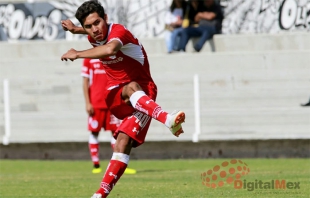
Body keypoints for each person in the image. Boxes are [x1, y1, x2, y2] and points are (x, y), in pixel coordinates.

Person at [60, 1, 186, 197]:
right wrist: (75, 30)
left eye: (97, 23)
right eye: (89, 27)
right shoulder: (94, 33)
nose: (95, 30)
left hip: (144, 94)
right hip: (115, 96)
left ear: (106, 19)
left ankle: (100, 194)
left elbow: (110, 49)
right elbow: (93, 34)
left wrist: (77, 53)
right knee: (130, 88)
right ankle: (167, 119)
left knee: (122, 142)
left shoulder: (119, 32)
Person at [82, 58, 136, 175]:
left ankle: (120, 165)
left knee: (116, 133)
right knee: (94, 132)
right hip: (96, 103)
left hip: (112, 102)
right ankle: (96, 165)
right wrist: (87, 102)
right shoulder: (88, 59)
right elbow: (85, 81)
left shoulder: (111, 55)